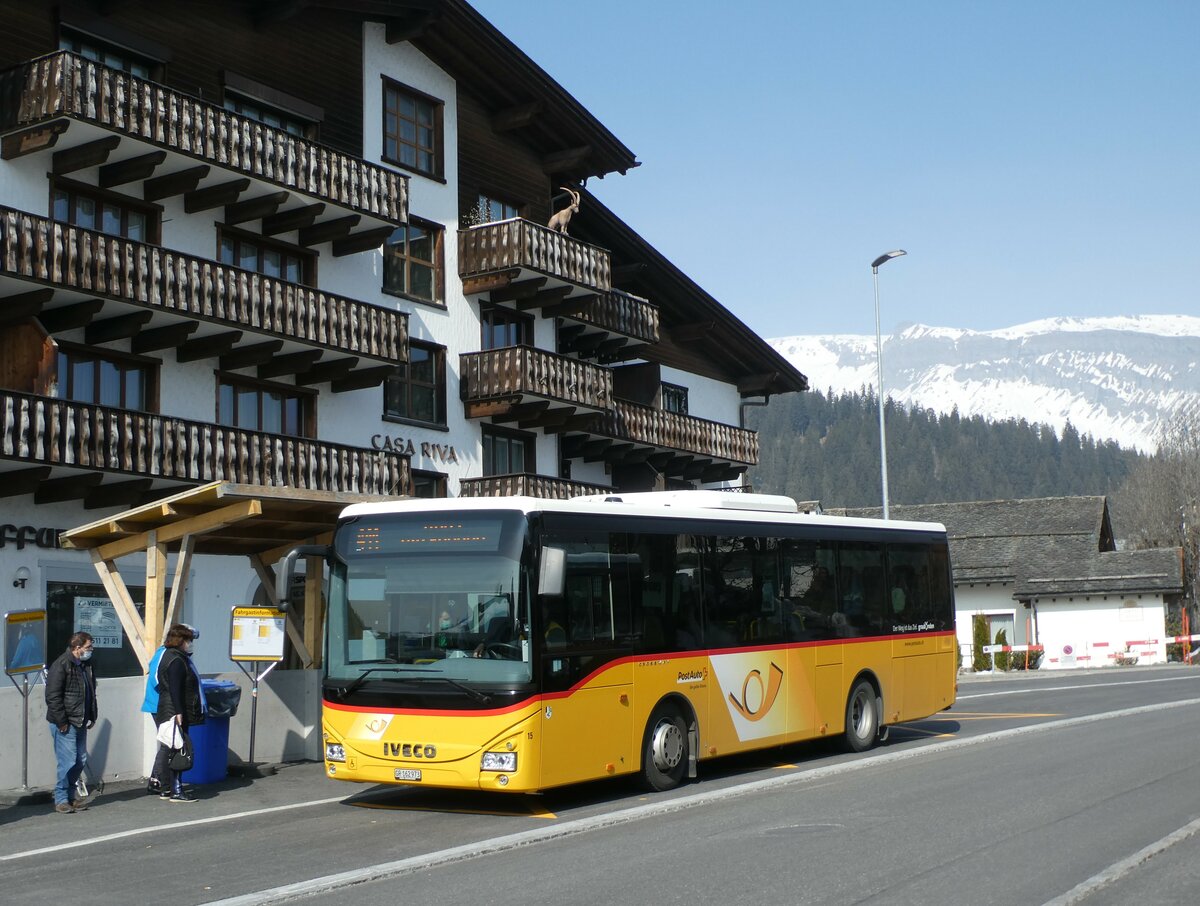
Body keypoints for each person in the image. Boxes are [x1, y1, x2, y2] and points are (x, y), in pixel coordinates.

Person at [142, 624, 205, 795]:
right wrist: (176, 709)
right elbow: (161, 681)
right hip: (165, 706)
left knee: (170, 744)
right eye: (190, 640)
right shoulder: (170, 656)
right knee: (171, 745)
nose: (191, 644)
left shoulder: (179, 656)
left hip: (167, 705)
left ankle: (163, 783)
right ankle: (162, 782)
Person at [44, 631, 97, 814]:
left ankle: (70, 795)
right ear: (77, 647)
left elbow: (90, 692)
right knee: (67, 761)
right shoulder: (61, 665)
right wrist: (61, 721)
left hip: (80, 719)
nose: (91, 650)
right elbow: (52, 696)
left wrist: (92, 715)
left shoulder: (86, 665)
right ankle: (61, 799)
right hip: (66, 722)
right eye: (88, 647)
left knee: (80, 760)